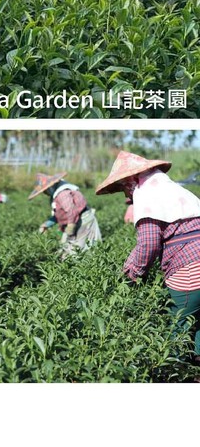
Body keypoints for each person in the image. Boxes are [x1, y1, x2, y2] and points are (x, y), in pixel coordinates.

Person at [96, 151, 200, 364]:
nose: (126, 196)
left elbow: (149, 242)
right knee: (197, 320)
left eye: (124, 188)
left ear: (132, 180)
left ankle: (177, 373)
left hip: (191, 270)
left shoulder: (146, 194)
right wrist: (129, 262)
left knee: (177, 326)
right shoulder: (172, 189)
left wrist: (134, 274)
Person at [29, 171, 101, 258]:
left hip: (83, 221)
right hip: (74, 220)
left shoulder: (63, 193)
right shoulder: (56, 194)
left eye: (45, 191)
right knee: (68, 248)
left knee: (82, 249)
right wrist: (47, 224)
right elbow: (60, 214)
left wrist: (71, 226)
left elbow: (71, 210)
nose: (45, 193)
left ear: (50, 187)